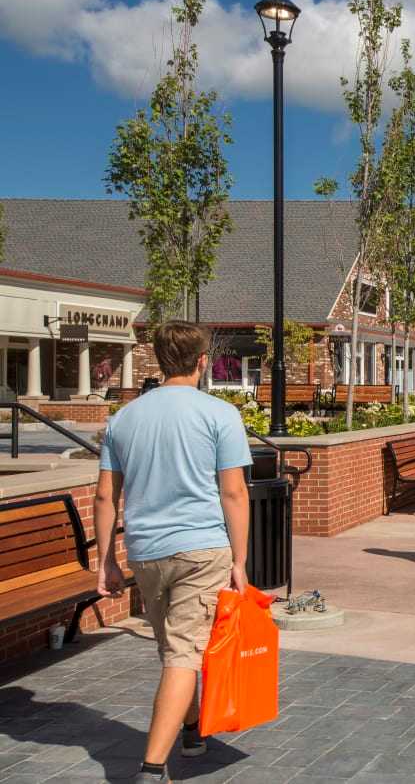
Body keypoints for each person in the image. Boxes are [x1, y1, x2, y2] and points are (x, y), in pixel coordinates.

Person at [93, 321, 252, 784]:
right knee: (183, 652)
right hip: (202, 549)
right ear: (203, 362)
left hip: (146, 551)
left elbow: (106, 497)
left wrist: (105, 560)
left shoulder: (122, 419)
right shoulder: (219, 414)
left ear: (159, 361)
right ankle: (151, 767)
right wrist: (240, 562)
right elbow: (235, 494)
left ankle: (191, 731)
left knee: (177, 645)